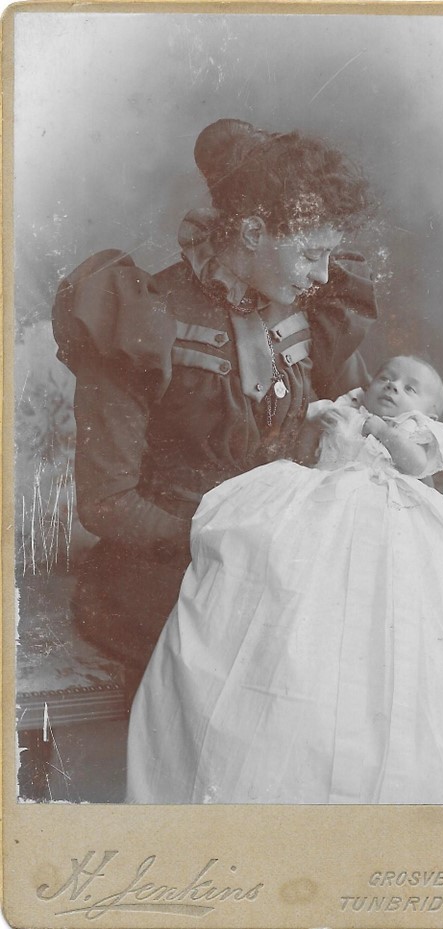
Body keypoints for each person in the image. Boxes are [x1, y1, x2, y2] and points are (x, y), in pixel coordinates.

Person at [51, 119, 378, 692]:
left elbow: (364, 419)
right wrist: (231, 543)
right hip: (168, 575)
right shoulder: (140, 320)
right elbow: (105, 504)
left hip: (283, 564)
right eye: (310, 254)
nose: (324, 276)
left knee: (369, 642)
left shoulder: (311, 309)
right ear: (252, 232)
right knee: (288, 664)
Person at [126, 355, 443, 804]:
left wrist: (381, 429)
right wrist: (314, 415)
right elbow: (299, 427)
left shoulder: (421, 432)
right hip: (319, 504)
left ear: (430, 412)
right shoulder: (345, 407)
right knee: (283, 590)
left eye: (411, 389)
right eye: (386, 378)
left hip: (389, 524)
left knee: (382, 624)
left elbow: (415, 466)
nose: (393, 389)